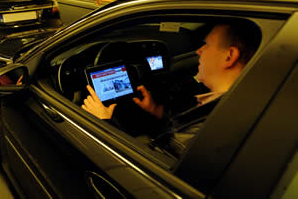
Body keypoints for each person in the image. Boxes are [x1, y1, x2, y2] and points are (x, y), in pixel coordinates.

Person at [82, 21, 260, 157]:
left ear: (230, 56)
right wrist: (157, 111)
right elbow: (180, 128)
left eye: (207, 45)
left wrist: (104, 122)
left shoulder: (203, 132)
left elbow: (144, 162)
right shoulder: (236, 102)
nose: (199, 51)